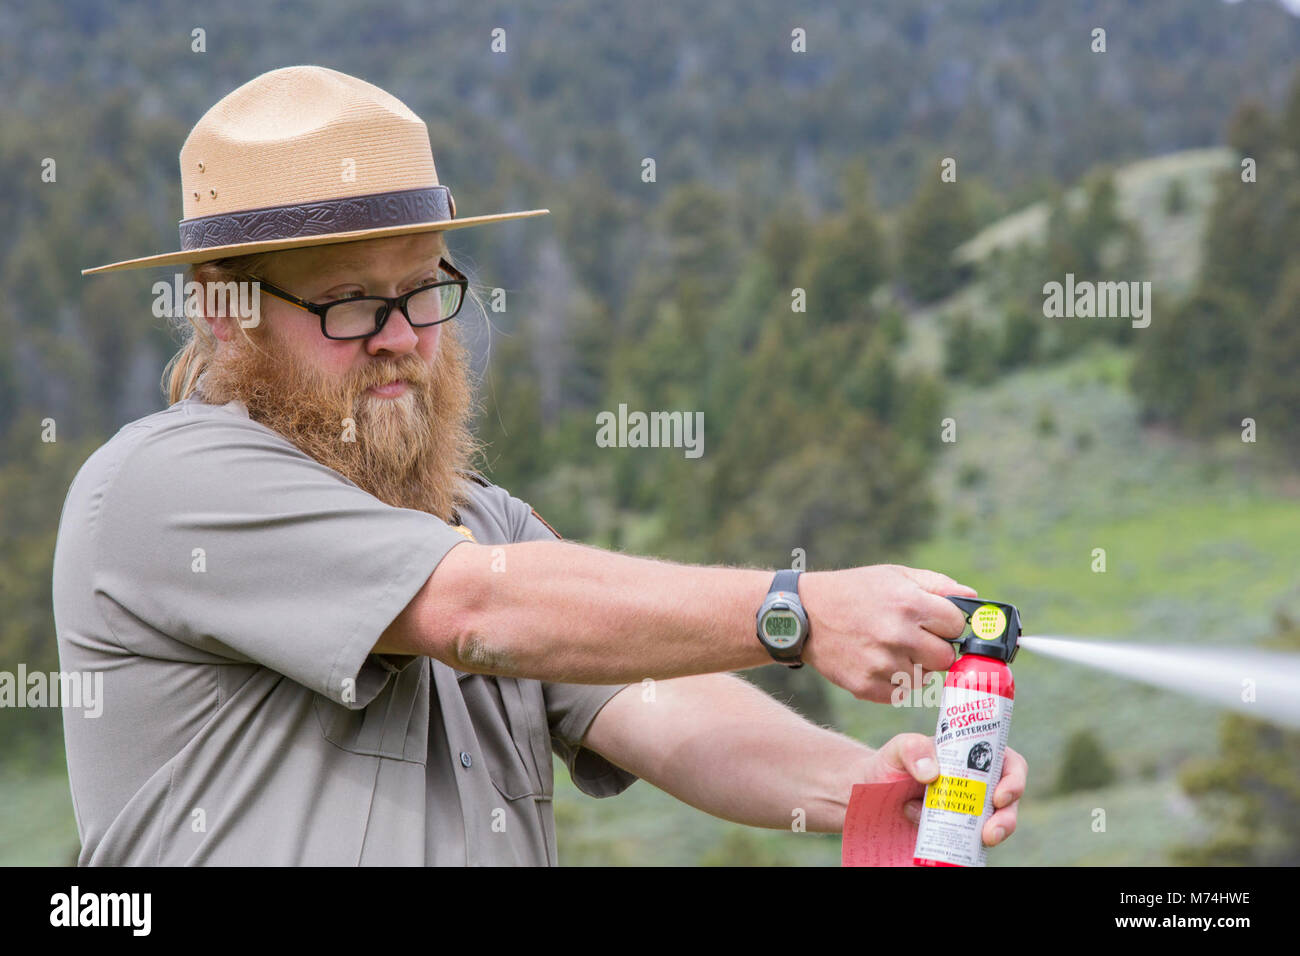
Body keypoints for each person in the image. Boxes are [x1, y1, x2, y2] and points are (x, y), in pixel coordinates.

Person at [56, 65, 1025, 865]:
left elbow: (653, 700)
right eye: (349, 301)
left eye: (422, 288)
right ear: (229, 312)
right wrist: (797, 611)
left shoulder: (481, 523)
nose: (401, 337)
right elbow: (480, 613)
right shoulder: (166, 484)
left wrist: (860, 786)